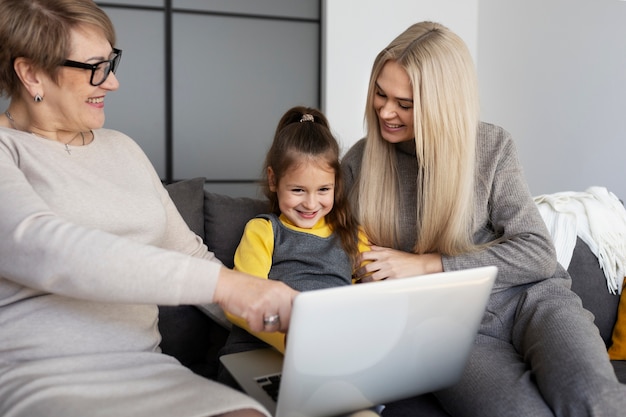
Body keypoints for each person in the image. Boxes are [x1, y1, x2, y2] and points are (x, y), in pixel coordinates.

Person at [0, 1, 298, 416]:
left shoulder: (123, 148)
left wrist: (288, 327)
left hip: (149, 370)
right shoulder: (5, 149)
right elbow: (47, 247)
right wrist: (228, 285)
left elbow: (188, 254)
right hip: (42, 377)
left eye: (111, 63)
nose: (113, 83)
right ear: (31, 72)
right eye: (94, 67)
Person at [341, 21, 626, 417]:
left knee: (598, 401)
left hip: (533, 300)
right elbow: (337, 252)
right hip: (449, 330)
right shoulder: (358, 164)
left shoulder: (491, 147)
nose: (386, 111)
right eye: (380, 94)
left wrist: (427, 265)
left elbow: (537, 253)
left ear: (442, 103)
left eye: (404, 104)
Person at [219, 106, 369, 360]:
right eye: (298, 190)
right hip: (260, 351)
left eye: (323, 190)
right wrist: (294, 341)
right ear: (273, 180)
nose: (311, 204)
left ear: (336, 185)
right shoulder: (264, 231)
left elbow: (371, 296)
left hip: (328, 354)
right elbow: (238, 301)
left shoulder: (353, 235)